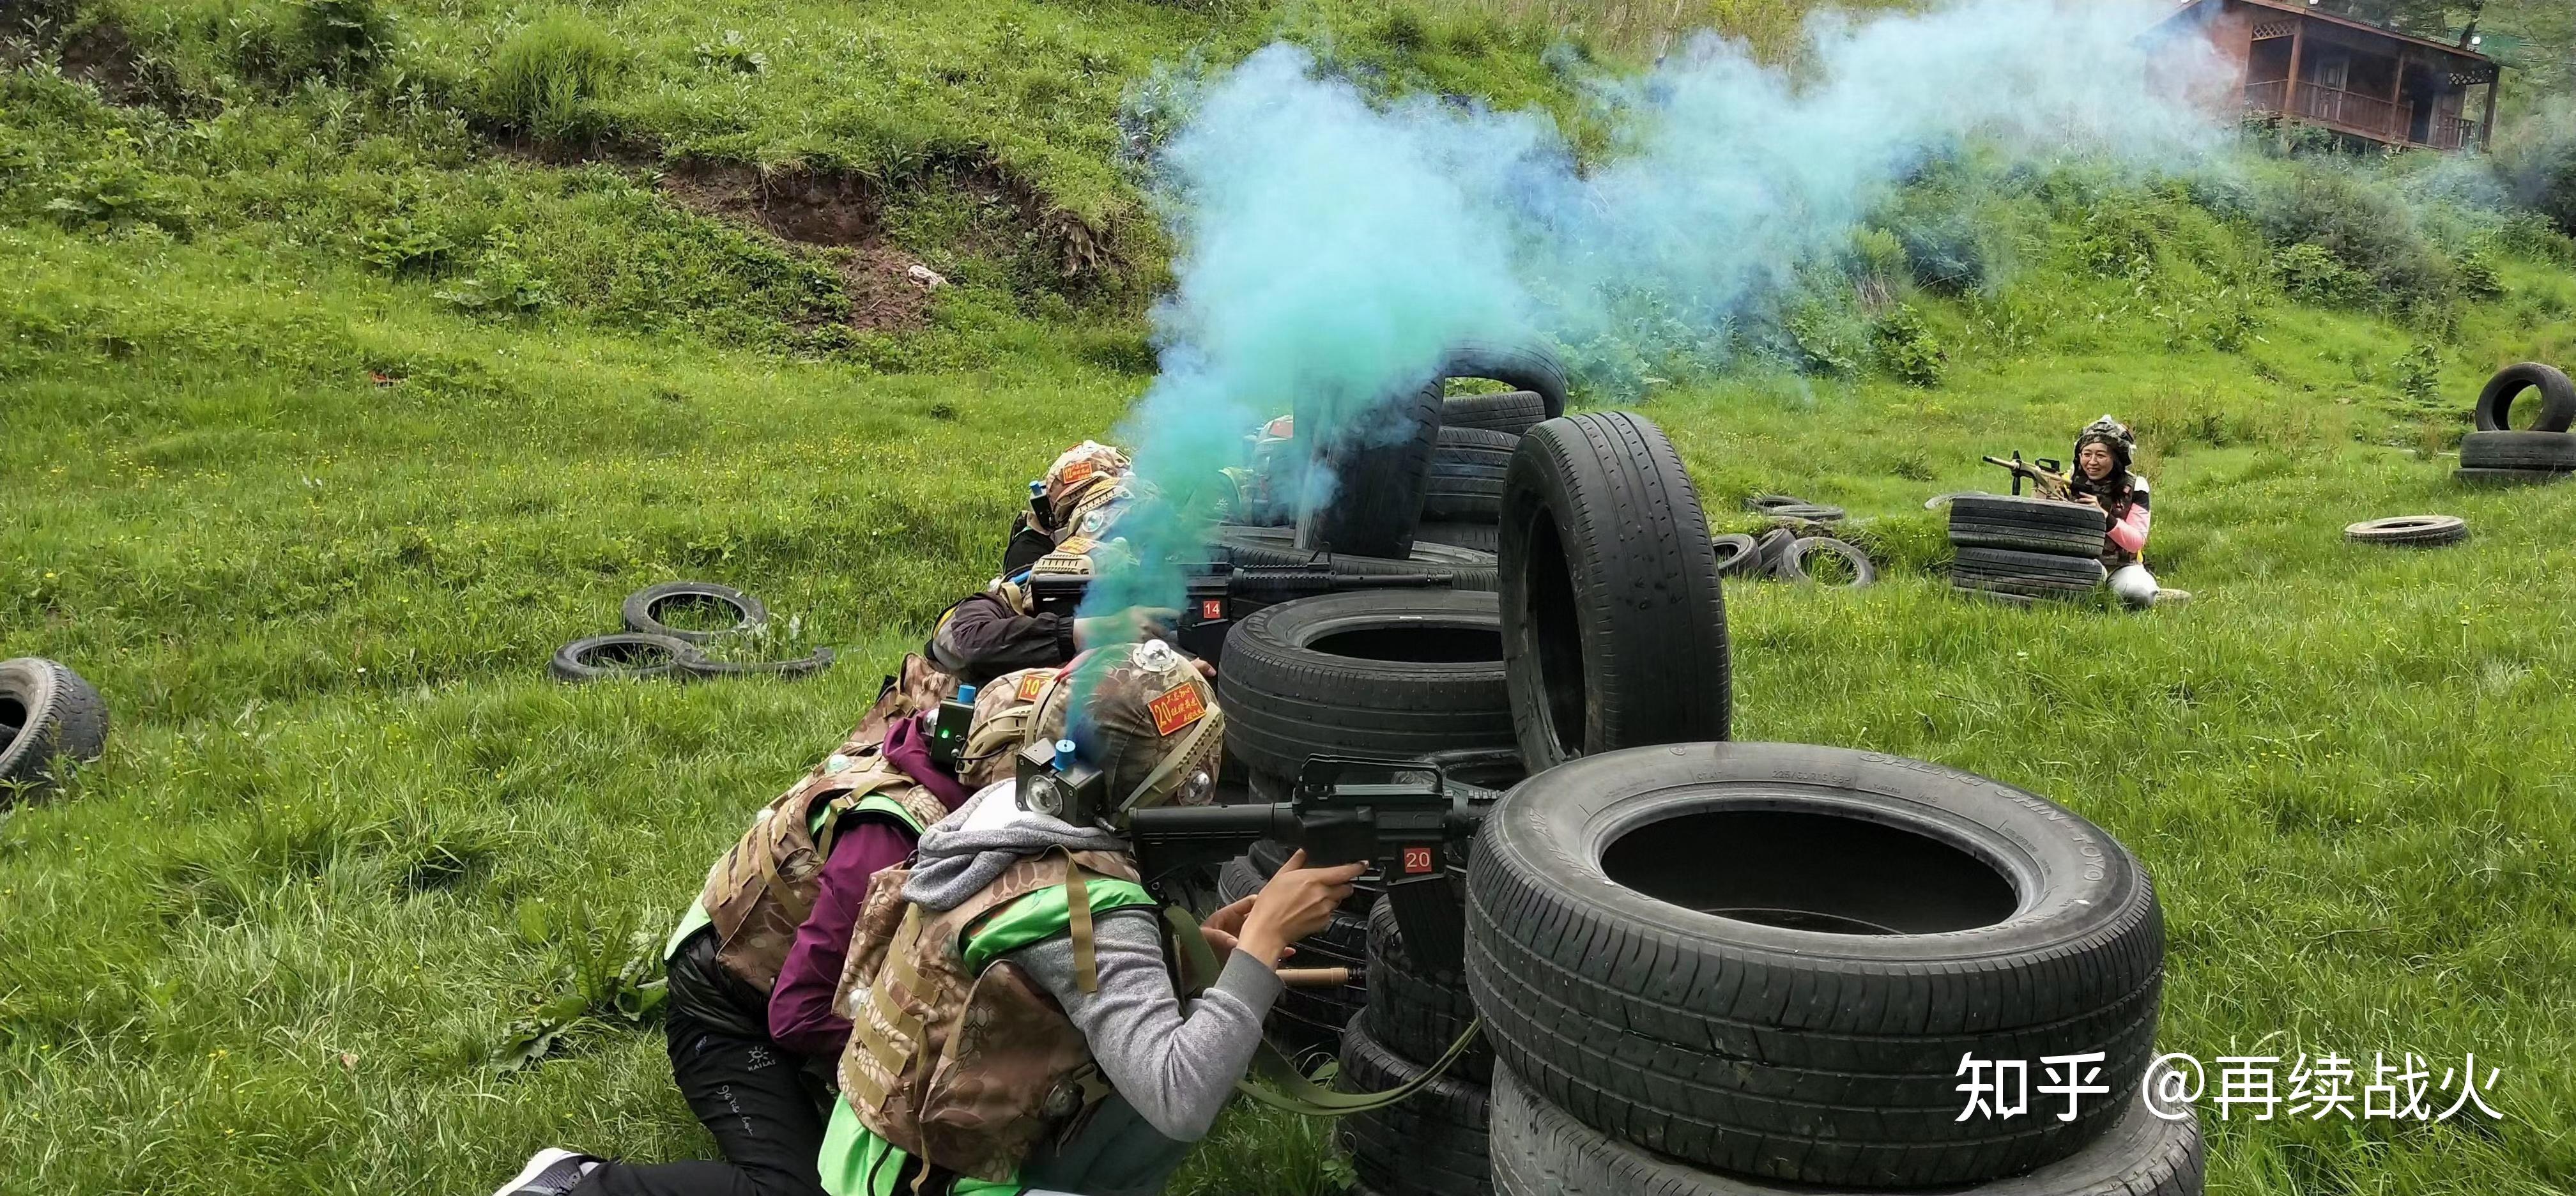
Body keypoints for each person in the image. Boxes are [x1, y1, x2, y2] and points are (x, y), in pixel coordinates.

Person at [816, 640, 1363, 1196]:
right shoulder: (1093, 907)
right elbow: (1181, 1097)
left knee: (1194, 1029)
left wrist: (1185, 957)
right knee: (1202, 1061)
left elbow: (1037, 973)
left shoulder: (1007, 809)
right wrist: (1263, 943)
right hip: (929, 1182)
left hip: (873, 1150)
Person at [490, 674, 1053, 1196]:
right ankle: (576, 1182)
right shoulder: (889, 838)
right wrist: (922, 1058)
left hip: (774, 985)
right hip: (729, 1016)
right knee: (793, 1189)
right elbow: (799, 1013)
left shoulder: (941, 786)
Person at [2068, 415, 2188, 610]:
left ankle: (2153, 593)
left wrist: (2103, 517)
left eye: (2101, 456)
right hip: (2075, 563)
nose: (2092, 462)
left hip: (2120, 566)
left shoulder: (2135, 487)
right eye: (2086, 454)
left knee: (2139, 595)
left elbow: (2135, 542)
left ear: (2116, 459)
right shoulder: (2065, 483)